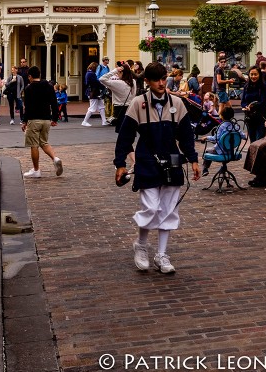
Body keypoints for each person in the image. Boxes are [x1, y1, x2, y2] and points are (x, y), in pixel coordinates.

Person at [114, 61, 200, 274]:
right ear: (147, 82)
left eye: (164, 78)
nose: (162, 83)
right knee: (151, 207)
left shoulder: (177, 104)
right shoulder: (138, 103)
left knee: (169, 209)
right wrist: (120, 164)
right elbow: (125, 136)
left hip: (171, 161)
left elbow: (186, 136)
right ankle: (141, 245)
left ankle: (162, 254)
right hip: (147, 160)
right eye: (157, 80)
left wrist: (193, 159)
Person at [21, 65, 63, 178]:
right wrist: (55, 118)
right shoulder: (49, 86)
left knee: (34, 145)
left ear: (30, 76)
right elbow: (54, 103)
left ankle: (36, 170)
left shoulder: (29, 88)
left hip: (34, 119)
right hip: (46, 119)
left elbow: (28, 107)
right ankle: (55, 158)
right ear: (39, 75)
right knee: (44, 142)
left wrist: (24, 121)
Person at [201, 103, 246, 176]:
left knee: (208, 150)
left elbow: (216, 139)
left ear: (221, 115)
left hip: (220, 151)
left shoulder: (221, 126)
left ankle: (205, 169)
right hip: (231, 151)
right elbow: (243, 136)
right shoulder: (235, 126)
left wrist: (206, 137)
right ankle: (223, 168)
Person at [99, 63, 137, 132]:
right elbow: (134, 95)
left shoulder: (117, 83)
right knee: (129, 132)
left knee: (121, 132)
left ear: (121, 72)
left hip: (119, 109)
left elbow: (102, 79)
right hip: (131, 109)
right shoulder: (133, 82)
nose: (117, 74)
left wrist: (115, 70)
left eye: (118, 73)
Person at [241, 66, 266, 142]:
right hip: (249, 117)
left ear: (259, 74)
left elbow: (263, 102)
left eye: (255, 74)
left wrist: (252, 106)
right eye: (251, 74)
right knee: (252, 141)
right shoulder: (246, 86)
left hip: (260, 116)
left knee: (259, 141)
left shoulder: (263, 86)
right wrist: (246, 107)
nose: (253, 76)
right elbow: (243, 101)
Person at [82, 62, 108, 127]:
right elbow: (95, 82)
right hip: (93, 92)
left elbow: (87, 83)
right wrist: (103, 87)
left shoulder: (89, 73)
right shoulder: (91, 74)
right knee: (92, 108)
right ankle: (84, 121)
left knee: (101, 106)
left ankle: (104, 121)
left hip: (93, 92)